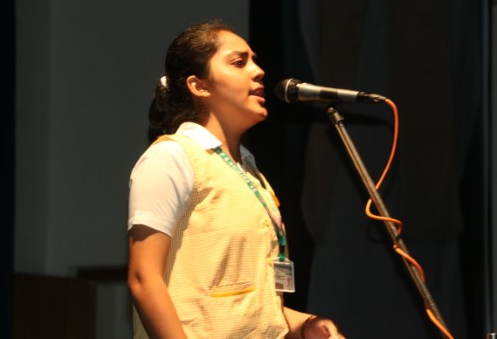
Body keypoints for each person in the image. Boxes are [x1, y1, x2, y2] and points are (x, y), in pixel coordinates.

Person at [127, 20, 345, 339]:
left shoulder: (251, 175)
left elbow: (244, 306)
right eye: (239, 62)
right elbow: (143, 279)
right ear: (199, 86)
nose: (258, 71)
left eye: (254, 61)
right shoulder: (172, 156)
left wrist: (305, 325)